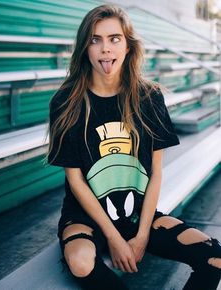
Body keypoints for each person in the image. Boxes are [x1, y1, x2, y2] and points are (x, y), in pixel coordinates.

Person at [47, 4, 221, 290]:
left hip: (138, 215)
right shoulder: (67, 102)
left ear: (128, 46)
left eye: (114, 38)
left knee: (214, 257)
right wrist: (115, 240)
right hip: (85, 217)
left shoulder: (148, 97)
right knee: (80, 262)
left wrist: (140, 237)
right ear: (84, 48)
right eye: (95, 39)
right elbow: (76, 181)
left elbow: (155, 172)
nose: (105, 48)